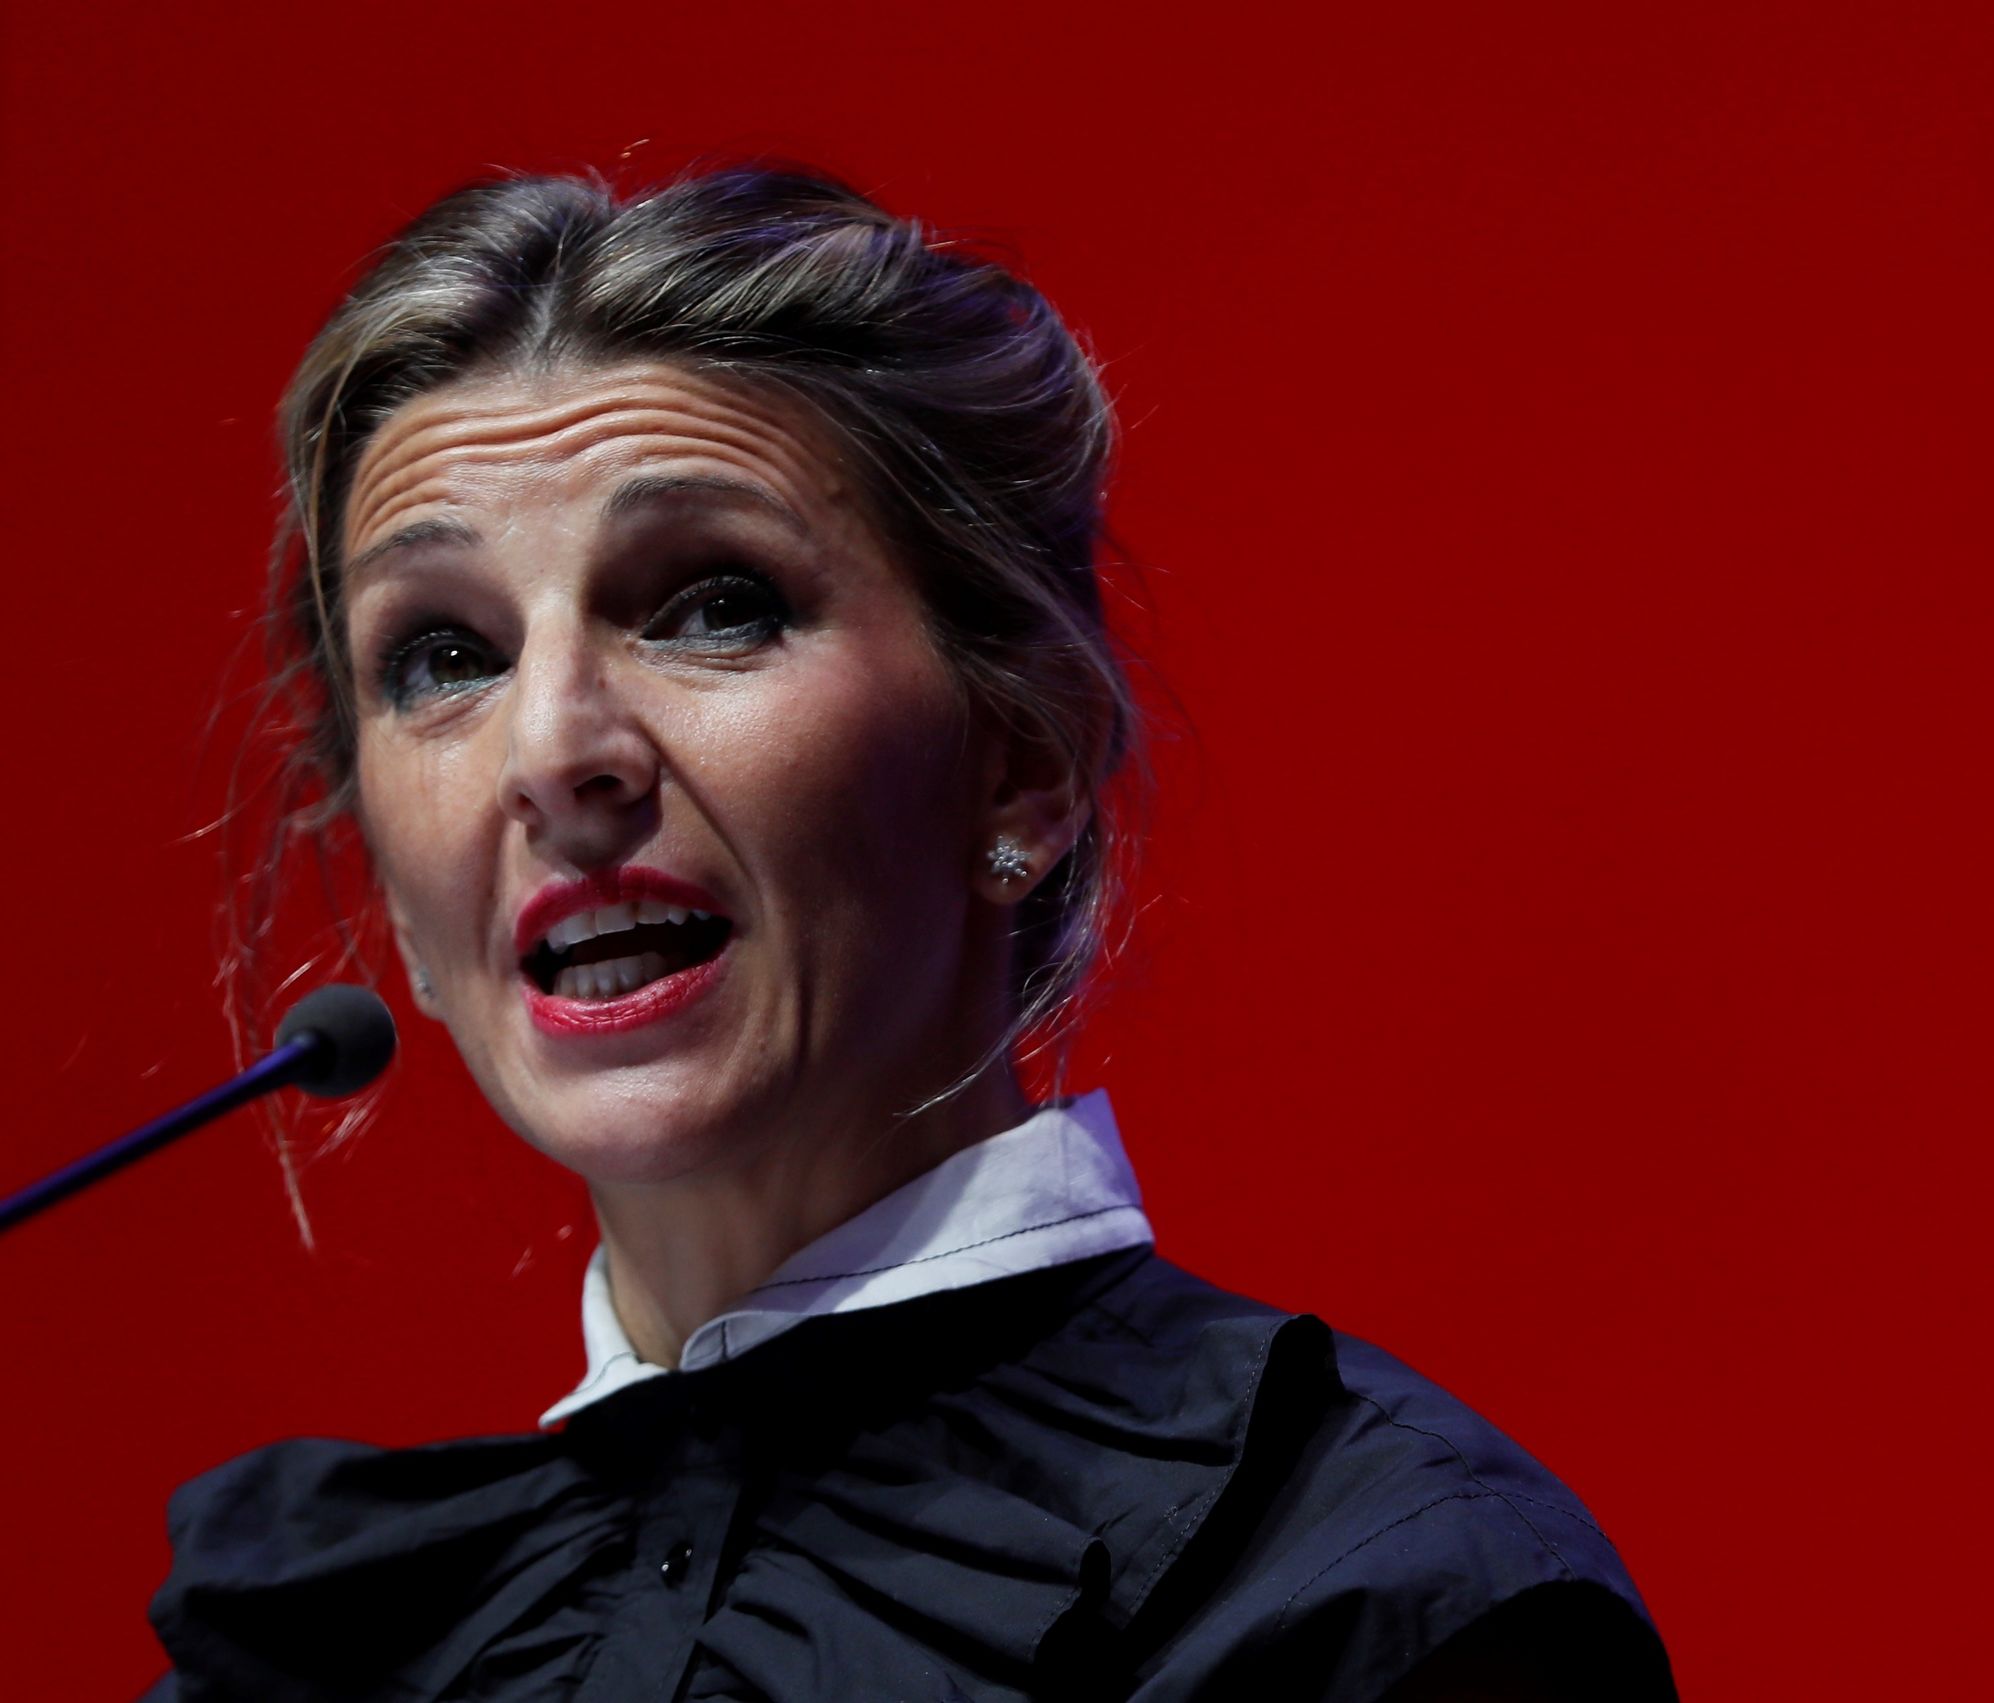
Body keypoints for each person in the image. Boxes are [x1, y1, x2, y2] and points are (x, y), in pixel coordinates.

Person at [145, 164, 1674, 1702]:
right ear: (397, 893)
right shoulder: (318, 1653)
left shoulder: (1374, 1590)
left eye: (716, 604)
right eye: (443, 656)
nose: (549, 751)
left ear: (1023, 761)